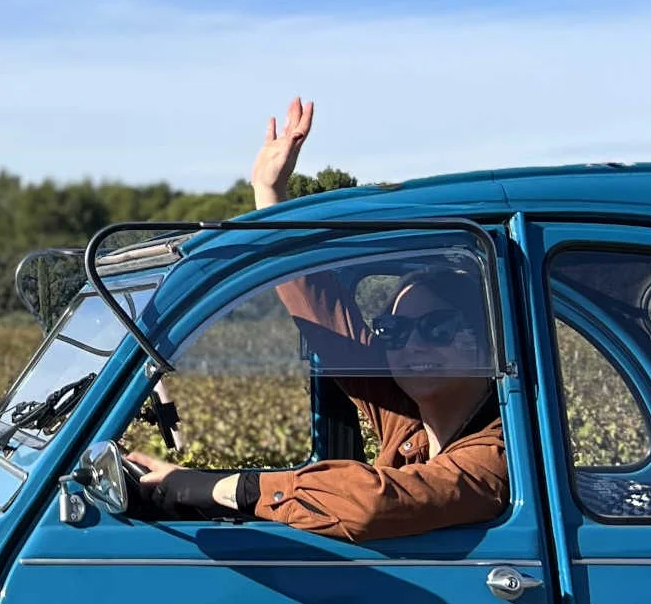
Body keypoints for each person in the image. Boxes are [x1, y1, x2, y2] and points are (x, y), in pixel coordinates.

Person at [123, 98, 508, 542]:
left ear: (487, 341)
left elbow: (372, 504)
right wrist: (269, 199)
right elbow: (334, 329)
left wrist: (214, 487)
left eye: (437, 328)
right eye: (395, 332)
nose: (412, 345)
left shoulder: (496, 453)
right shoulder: (407, 418)